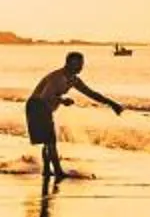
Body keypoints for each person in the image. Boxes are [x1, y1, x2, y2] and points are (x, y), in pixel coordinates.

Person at [25, 51, 122, 183]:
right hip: (37, 106)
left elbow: (91, 93)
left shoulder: (73, 79)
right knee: (50, 141)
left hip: (45, 108)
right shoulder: (57, 77)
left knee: (48, 141)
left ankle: (47, 170)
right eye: (78, 64)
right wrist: (62, 100)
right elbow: (45, 96)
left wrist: (112, 104)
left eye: (82, 64)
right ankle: (57, 172)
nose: (81, 67)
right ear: (69, 63)